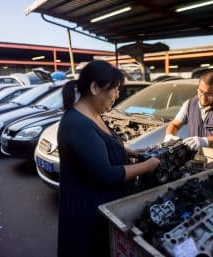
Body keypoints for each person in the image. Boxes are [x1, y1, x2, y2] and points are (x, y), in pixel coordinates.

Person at [57, 60, 160, 257]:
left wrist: (131, 151)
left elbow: (102, 143)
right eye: (115, 89)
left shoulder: (94, 114)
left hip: (103, 209)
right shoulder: (77, 123)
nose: (117, 95)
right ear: (95, 87)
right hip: (87, 215)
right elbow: (105, 174)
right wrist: (147, 166)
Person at [165, 70, 213, 152]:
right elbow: (175, 124)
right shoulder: (189, 104)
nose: (203, 98)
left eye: (209, 94)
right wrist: (169, 134)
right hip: (195, 158)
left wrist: (206, 141)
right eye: (201, 91)